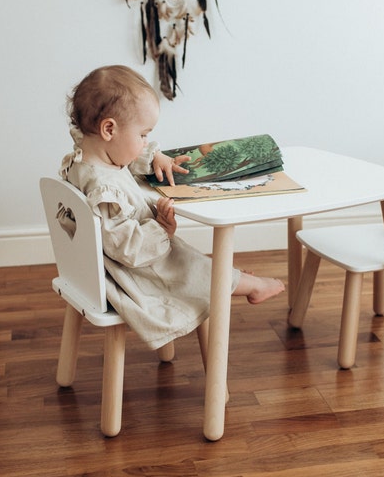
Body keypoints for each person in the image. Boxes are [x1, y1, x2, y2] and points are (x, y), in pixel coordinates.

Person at [60, 65, 284, 349]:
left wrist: (154, 158)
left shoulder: (86, 157)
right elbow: (127, 249)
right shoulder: (105, 191)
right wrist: (161, 229)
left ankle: (230, 278)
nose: (145, 142)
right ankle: (248, 286)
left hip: (102, 265)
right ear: (109, 129)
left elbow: (120, 159)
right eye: (143, 135)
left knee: (196, 260)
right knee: (193, 266)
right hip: (136, 272)